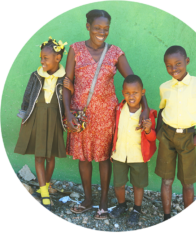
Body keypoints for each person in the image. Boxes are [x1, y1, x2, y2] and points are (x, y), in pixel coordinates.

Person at [62, 9, 150, 219]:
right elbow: (67, 84)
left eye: (106, 29)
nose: (102, 32)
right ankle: (87, 199)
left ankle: (103, 202)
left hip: (106, 115)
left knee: (103, 158)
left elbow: (133, 79)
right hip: (80, 114)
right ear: (88, 27)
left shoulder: (115, 53)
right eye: (97, 28)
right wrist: (68, 113)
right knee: (83, 158)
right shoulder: (75, 50)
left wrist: (145, 107)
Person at [155, 46, 196, 223]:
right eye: (169, 65)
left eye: (178, 64)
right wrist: (159, 132)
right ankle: (167, 216)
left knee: (188, 182)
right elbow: (161, 109)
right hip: (167, 136)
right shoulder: (164, 87)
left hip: (189, 138)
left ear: (187, 61)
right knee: (167, 180)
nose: (173, 69)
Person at [14, 36, 71, 212]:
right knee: (39, 156)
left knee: (50, 155)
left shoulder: (64, 78)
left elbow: (70, 99)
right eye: (41, 58)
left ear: (58, 58)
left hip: (54, 119)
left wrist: (72, 88)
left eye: (45, 58)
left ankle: (44, 184)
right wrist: (24, 115)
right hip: (36, 117)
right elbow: (27, 96)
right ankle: (44, 191)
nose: (42, 61)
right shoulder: (36, 75)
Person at [109, 75, 157, 225]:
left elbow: (152, 138)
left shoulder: (147, 114)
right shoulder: (118, 109)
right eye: (128, 93)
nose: (131, 96)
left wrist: (148, 130)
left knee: (138, 185)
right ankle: (121, 205)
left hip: (138, 157)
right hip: (119, 155)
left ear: (143, 92)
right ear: (123, 93)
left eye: (135, 93)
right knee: (118, 184)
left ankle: (136, 209)